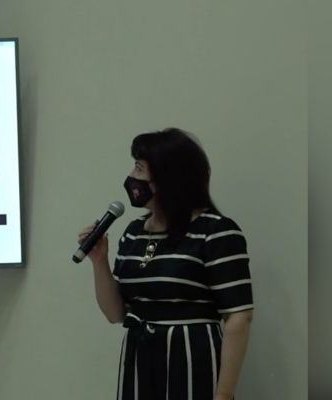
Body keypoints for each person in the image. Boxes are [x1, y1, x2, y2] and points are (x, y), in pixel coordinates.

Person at [78, 128, 253, 400]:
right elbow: (115, 313)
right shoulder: (134, 233)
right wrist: (99, 262)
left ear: (168, 178)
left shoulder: (216, 231)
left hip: (191, 360)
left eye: (139, 168)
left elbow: (239, 317)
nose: (132, 177)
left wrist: (224, 394)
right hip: (140, 359)